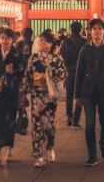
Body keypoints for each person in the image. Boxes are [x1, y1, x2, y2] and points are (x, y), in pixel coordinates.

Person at [75, 18, 104, 166]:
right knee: (89, 124)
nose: (97, 31)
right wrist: (77, 95)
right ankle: (92, 155)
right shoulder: (84, 50)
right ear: (90, 32)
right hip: (87, 92)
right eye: (94, 28)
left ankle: (103, 143)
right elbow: (79, 73)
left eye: (99, 28)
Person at [21, 30, 66, 167]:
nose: (43, 43)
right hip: (36, 95)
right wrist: (23, 91)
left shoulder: (57, 59)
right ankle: (38, 154)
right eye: (41, 41)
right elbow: (27, 74)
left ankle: (50, 146)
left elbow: (62, 75)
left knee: (48, 125)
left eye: (46, 41)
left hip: (50, 97)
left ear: (52, 44)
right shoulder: (33, 58)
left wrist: (49, 66)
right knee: (36, 126)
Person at [0, 28, 24, 166]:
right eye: (2, 38)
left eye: (7, 38)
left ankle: (10, 148)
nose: (4, 41)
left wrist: (13, 72)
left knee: (9, 121)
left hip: (11, 92)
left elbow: (22, 72)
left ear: (12, 39)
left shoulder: (17, 54)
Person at [60, 21, 87, 129]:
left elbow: (62, 55)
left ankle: (69, 117)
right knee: (79, 96)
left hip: (69, 72)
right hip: (81, 73)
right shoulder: (85, 42)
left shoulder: (65, 42)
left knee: (69, 95)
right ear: (81, 29)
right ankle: (76, 120)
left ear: (70, 30)